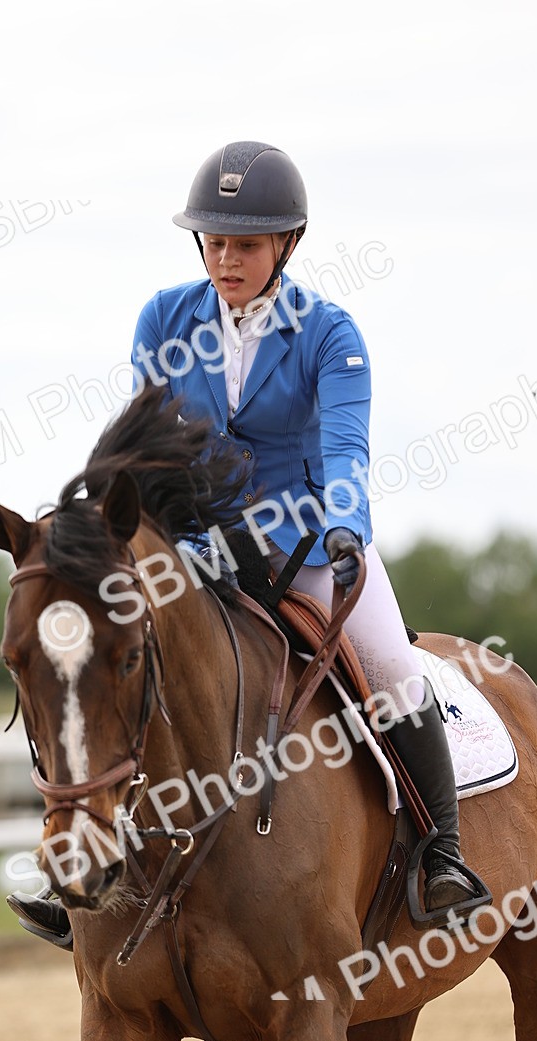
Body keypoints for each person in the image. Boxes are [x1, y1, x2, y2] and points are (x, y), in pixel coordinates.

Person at [130, 140, 486, 916]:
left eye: (246, 245)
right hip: (199, 549)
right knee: (112, 659)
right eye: (215, 242)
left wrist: (348, 532)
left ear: (286, 245)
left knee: (391, 667)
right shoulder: (163, 319)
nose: (226, 260)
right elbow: (150, 447)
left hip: (306, 545)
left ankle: (443, 854)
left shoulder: (329, 334)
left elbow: (345, 448)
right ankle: (96, 866)